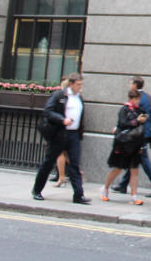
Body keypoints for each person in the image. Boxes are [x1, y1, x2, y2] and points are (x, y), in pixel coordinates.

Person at [32, 73, 90, 204]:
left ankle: (78, 195)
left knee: (74, 164)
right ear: (71, 84)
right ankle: (37, 190)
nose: (80, 87)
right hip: (60, 134)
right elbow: (48, 111)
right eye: (78, 84)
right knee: (48, 163)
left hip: (73, 135)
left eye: (81, 84)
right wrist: (63, 120)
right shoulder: (60, 96)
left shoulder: (79, 97)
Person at [100, 88, 149, 205]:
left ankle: (134, 196)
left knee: (134, 170)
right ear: (130, 99)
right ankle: (105, 188)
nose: (137, 101)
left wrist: (142, 145)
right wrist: (136, 121)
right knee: (117, 168)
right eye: (136, 99)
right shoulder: (124, 110)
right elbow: (122, 124)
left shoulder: (140, 110)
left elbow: (142, 130)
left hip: (135, 144)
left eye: (138, 99)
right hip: (123, 144)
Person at [114, 77, 151, 196]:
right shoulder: (149, 97)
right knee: (134, 159)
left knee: (144, 161)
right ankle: (123, 184)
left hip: (139, 134)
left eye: (130, 83)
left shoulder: (138, 99)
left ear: (135, 85)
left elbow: (133, 118)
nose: (129, 85)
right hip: (146, 132)